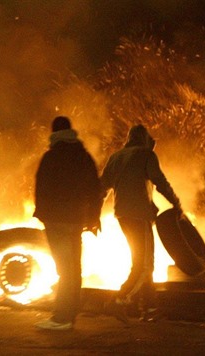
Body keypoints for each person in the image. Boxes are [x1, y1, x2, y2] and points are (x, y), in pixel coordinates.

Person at [100, 124, 181, 322]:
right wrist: (176, 202)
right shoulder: (146, 155)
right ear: (145, 140)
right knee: (143, 265)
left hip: (122, 215)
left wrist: (93, 215)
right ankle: (118, 299)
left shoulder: (116, 157)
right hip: (139, 215)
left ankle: (150, 307)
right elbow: (159, 181)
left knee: (145, 261)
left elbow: (102, 188)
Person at [33, 116, 102, 331]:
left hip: (56, 221)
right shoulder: (84, 157)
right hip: (76, 220)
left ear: (54, 134)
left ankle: (61, 318)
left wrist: (42, 214)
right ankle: (70, 315)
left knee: (64, 270)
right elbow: (95, 189)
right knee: (74, 268)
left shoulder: (51, 157)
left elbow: (41, 188)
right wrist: (93, 217)